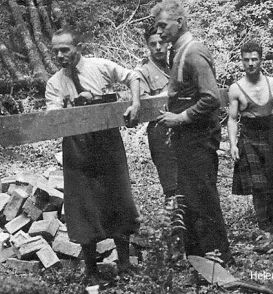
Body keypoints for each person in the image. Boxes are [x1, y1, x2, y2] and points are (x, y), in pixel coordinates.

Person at [45, 26, 141, 282]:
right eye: (56, 51)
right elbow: (52, 118)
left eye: (65, 49)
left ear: (78, 47)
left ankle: (124, 263)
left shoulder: (99, 66)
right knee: (83, 205)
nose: (60, 55)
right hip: (77, 147)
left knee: (118, 196)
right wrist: (74, 106)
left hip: (107, 141)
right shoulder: (54, 83)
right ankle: (91, 271)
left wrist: (135, 102)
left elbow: (133, 76)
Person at [153, 0, 232, 264]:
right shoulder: (177, 52)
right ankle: (199, 258)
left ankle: (220, 256)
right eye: (157, 26)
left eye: (163, 25)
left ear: (181, 22)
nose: (160, 32)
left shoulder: (193, 51)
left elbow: (211, 98)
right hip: (187, 139)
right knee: (190, 195)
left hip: (199, 137)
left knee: (204, 196)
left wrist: (180, 117)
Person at [227, 41, 273, 237]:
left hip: (271, 134)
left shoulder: (272, 83)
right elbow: (232, 119)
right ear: (241, 61)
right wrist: (233, 144)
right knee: (258, 187)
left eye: (254, 59)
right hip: (249, 136)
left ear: (261, 60)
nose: (250, 63)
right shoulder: (235, 88)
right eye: (246, 59)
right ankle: (265, 229)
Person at [133, 26, 178, 200]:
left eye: (162, 42)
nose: (158, 47)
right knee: (171, 184)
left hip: (181, 125)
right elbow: (144, 105)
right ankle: (175, 223)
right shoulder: (142, 71)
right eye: (153, 44)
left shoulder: (173, 65)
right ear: (147, 46)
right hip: (161, 131)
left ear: (168, 43)